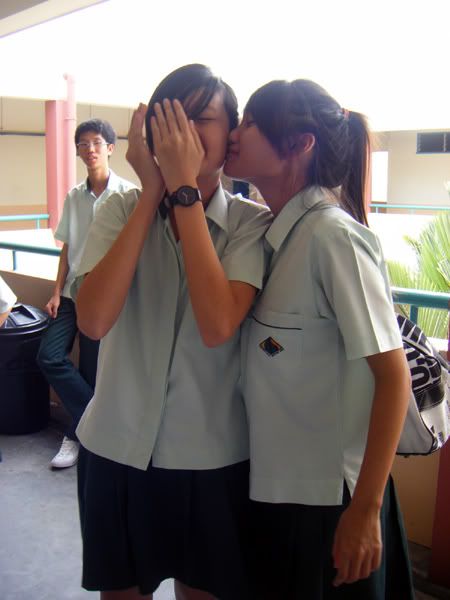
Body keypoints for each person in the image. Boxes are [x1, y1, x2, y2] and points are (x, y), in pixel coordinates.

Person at [74, 64, 271, 600]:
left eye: (201, 117)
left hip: (210, 457)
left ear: (230, 137)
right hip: (115, 445)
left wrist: (183, 190)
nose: (183, 130)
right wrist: (151, 194)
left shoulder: (250, 223)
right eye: (172, 116)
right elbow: (92, 321)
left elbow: (217, 324)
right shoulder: (120, 207)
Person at [224, 79, 415, 599]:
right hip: (280, 494)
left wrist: (366, 511)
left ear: (300, 144)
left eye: (250, 123)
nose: (235, 134)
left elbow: (392, 377)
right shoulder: (273, 235)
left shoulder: (333, 237)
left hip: (333, 505)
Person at [37, 119, 137, 469]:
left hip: (106, 298)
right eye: (83, 144)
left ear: (110, 148)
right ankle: (95, 424)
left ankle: (77, 436)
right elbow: (67, 247)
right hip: (71, 293)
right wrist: (55, 292)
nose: (90, 149)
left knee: (94, 370)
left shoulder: (129, 196)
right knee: (49, 356)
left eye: (96, 143)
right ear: (78, 151)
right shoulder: (74, 197)